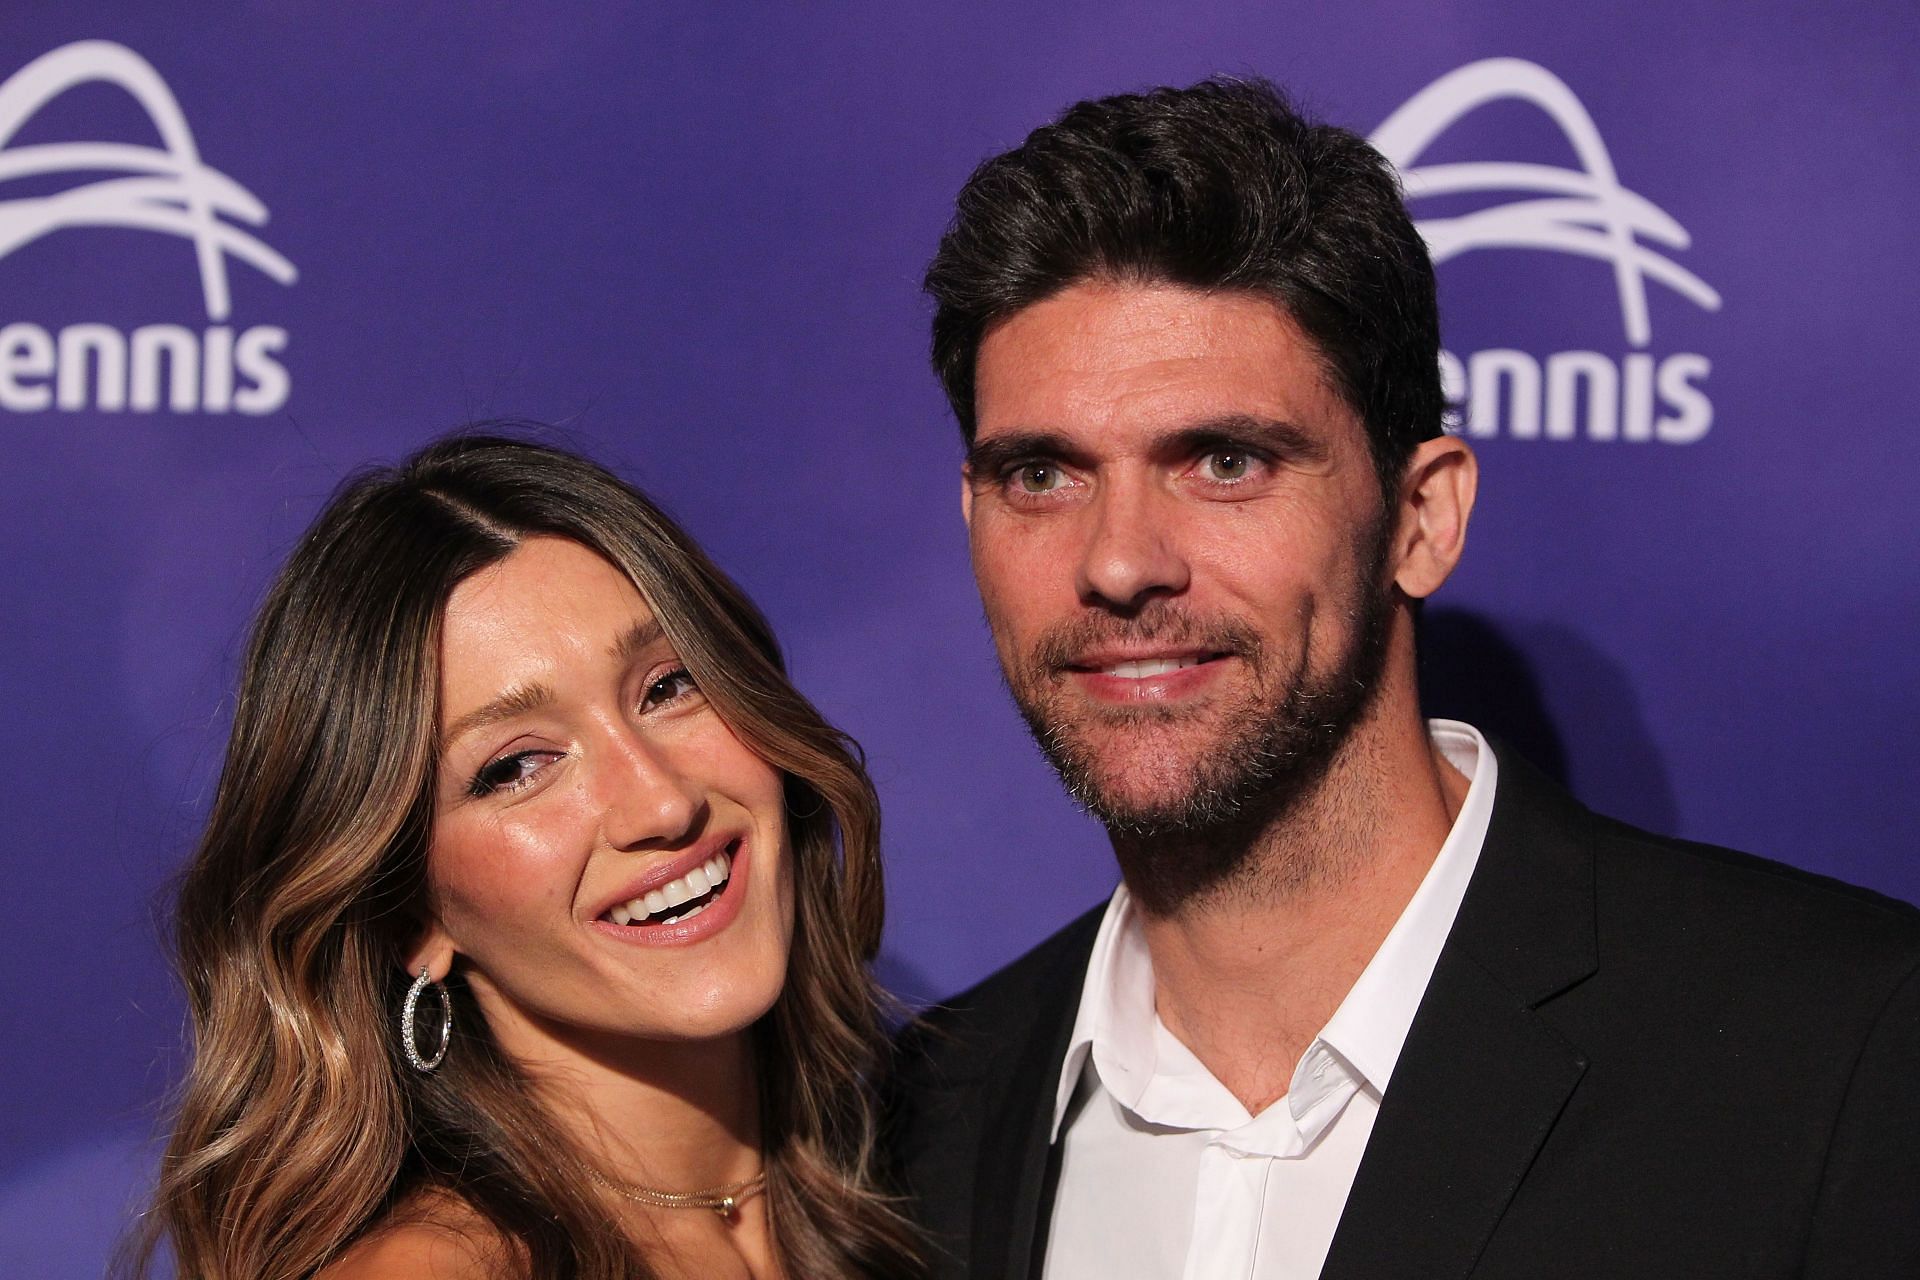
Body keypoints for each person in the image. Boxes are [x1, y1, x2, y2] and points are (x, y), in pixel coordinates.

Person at [884, 78, 1920, 1279]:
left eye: (1224, 460)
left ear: (1422, 517)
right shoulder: (917, 1125)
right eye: (1042, 475)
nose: (1118, 562)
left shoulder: (1840, 1057)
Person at [134, 435, 923, 1279]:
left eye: (667, 686)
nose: (662, 801)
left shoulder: (942, 1154)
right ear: (411, 916)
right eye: (516, 767)